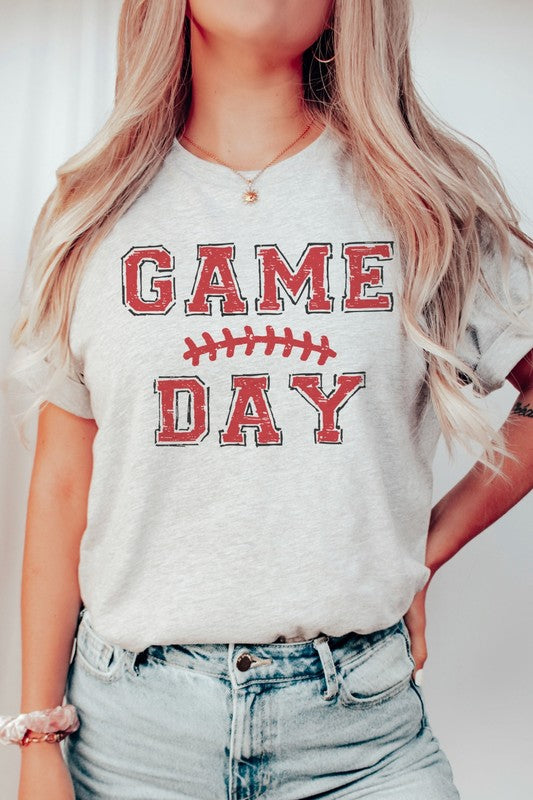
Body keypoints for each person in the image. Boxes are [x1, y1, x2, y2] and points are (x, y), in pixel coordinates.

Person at [2, 0, 533, 798]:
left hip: (361, 742)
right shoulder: (91, 212)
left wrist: (420, 553)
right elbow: (62, 481)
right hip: (129, 740)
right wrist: (36, 734)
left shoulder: (429, 204)